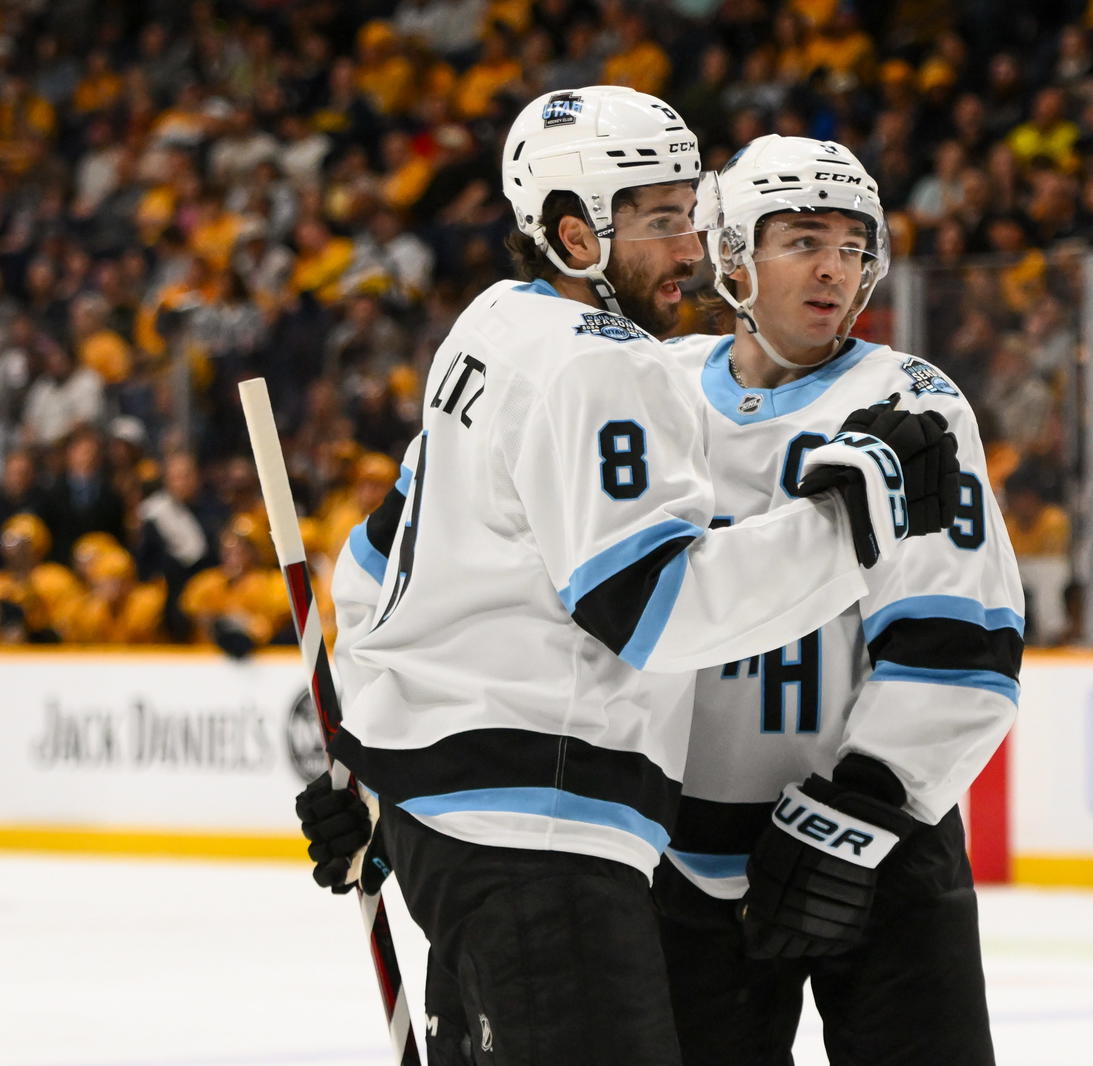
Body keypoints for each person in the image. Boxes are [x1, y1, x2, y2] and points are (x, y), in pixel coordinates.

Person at [297, 88, 961, 1066]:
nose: (691, 249)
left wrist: (371, 765)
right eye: (656, 222)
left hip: (446, 821)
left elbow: (375, 566)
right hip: (540, 832)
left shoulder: (487, 326)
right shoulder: (607, 368)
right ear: (572, 235)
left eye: (691, 213)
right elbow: (649, 610)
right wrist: (846, 527)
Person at [653, 135, 1023, 1066]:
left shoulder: (907, 402)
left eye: (855, 246)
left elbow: (961, 641)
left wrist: (857, 814)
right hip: (683, 857)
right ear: (731, 253)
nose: (835, 268)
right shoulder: (649, 394)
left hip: (884, 842)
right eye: (804, 239)